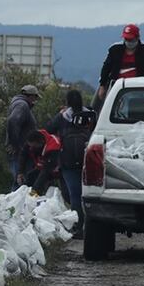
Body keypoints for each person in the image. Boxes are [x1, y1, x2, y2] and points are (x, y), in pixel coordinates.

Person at [46, 89, 95, 238]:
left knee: (75, 194)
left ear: (67, 102)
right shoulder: (91, 114)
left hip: (68, 161)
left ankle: (78, 226)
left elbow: (48, 129)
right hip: (88, 159)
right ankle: (92, 224)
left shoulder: (62, 116)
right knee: (90, 193)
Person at [96, 23, 144, 107]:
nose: (128, 42)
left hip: (138, 89)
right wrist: (102, 86)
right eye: (126, 39)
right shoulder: (115, 50)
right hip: (117, 87)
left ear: (137, 38)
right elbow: (106, 68)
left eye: (131, 39)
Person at [6, 84, 40, 189]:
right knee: (20, 182)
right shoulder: (22, 105)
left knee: (20, 181)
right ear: (31, 96)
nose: (35, 100)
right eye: (35, 97)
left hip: (21, 151)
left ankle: (17, 204)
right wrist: (15, 145)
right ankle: (15, 205)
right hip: (20, 152)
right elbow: (12, 121)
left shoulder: (18, 104)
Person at [22, 129, 61, 195]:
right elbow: (23, 154)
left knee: (66, 194)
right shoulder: (35, 141)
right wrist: (20, 172)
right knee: (31, 176)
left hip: (58, 168)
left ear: (40, 142)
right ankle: (25, 194)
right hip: (44, 166)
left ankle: (34, 195)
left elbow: (46, 170)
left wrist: (34, 191)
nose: (31, 148)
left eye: (34, 146)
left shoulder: (53, 146)